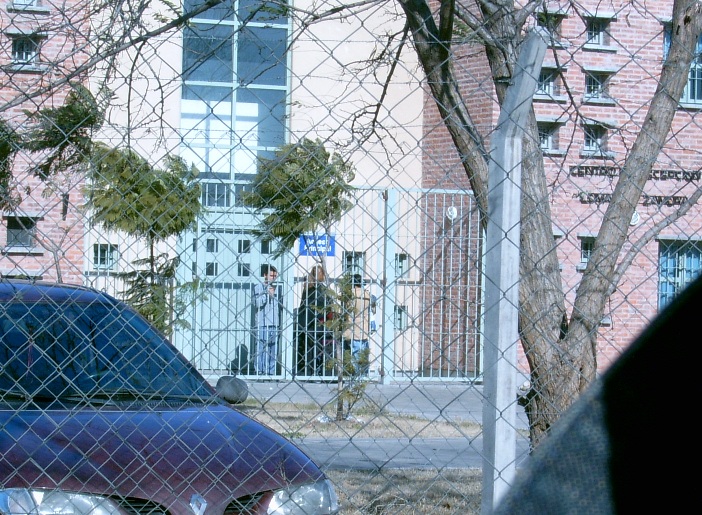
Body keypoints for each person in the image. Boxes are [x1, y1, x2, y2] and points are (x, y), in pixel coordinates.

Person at [296, 264, 334, 376]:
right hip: (319, 325)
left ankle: (312, 371)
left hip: (310, 324)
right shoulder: (320, 289)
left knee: (312, 349)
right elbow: (328, 307)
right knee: (320, 349)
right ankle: (320, 372)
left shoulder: (307, 289)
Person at [343, 274, 374, 376]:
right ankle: (363, 374)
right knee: (363, 352)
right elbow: (373, 310)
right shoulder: (368, 295)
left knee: (354, 352)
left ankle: (355, 374)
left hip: (352, 326)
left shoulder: (349, 294)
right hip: (364, 327)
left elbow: (344, 310)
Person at [254, 264, 280, 375]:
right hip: (262, 323)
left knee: (273, 350)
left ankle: (271, 372)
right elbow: (257, 303)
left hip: (274, 323)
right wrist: (267, 295)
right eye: (271, 275)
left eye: (275, 275)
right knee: (260, 349)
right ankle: (259, 371)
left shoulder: (279, 287)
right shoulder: (258, 287)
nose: (273, 278)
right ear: (265, 275)